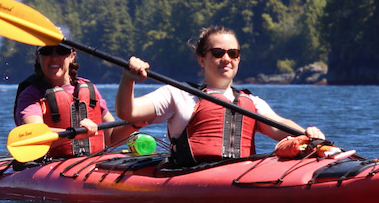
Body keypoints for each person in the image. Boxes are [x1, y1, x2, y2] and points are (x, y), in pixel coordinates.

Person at [115, 25, 325, 166]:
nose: (226, 58)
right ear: (201, 60)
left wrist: (309, 135)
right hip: (190, 177)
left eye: (233, 53)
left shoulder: (251, 102)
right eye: (217, 53)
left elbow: (280, 125)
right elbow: (128, 111)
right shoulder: (178, 94)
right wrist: (128, 79)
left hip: (240, 176)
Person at [14, 43, 136, 157]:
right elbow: (34, 135)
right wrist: (75, 133)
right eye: (47, 51)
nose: (54, 58)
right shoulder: (31, 94)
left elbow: (111, 137)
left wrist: (136, 123)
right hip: (50, 167)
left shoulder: (89, 88)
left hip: (92, 164)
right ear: (37, 56)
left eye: (62, 51)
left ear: (72, 56)